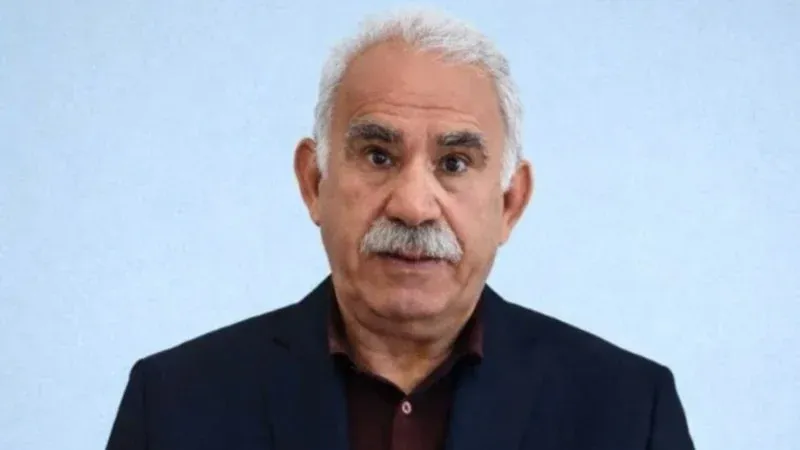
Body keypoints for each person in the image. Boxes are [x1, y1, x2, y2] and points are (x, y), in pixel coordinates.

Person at [106, 8, 694, 450]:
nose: (414, 206)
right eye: (378, 156)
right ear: (314, 182)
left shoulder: (628, 413)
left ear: (510, 204)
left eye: (454, 163)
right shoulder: (173, 406)